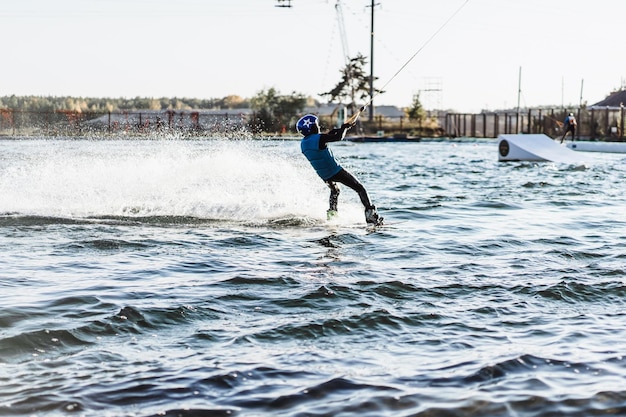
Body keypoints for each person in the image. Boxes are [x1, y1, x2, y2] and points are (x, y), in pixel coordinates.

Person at [297, 114, 383, 226]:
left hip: (324, 175)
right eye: (316, 125)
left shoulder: (304, 143)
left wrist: (336, 131)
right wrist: (344, 128)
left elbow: (322, 140)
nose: (318, 127)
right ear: (312, 128)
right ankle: (371, 215)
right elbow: (338, 138)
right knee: (359, 188)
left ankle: (332, 217)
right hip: (335, 171)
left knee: (335, 191)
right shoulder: (319, 139)